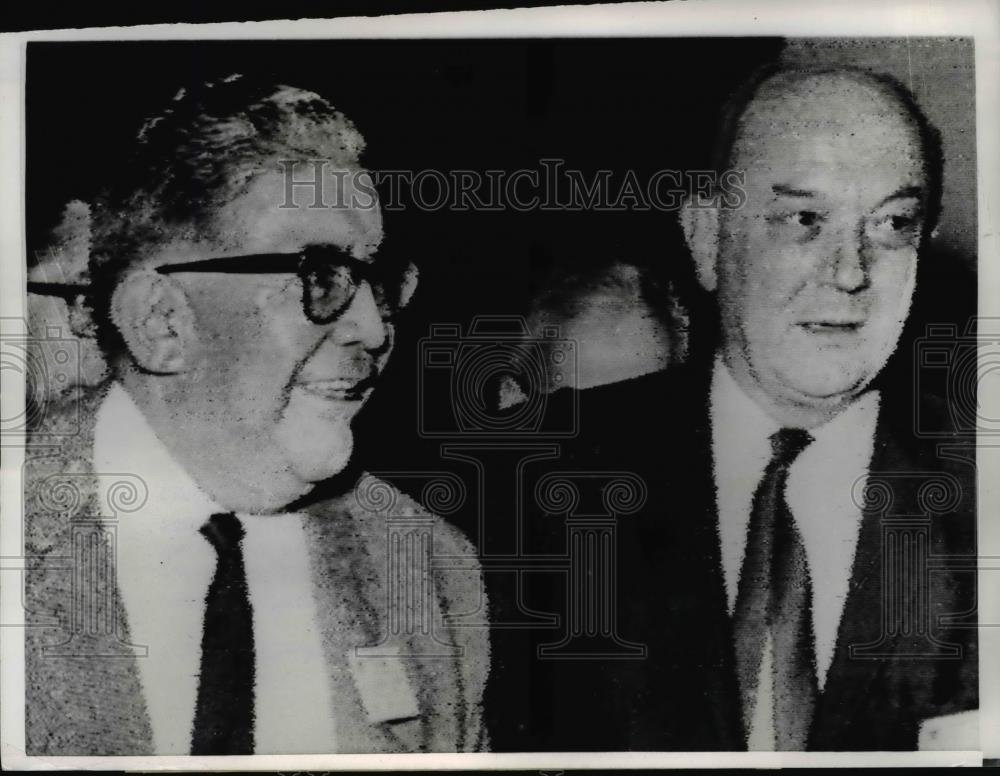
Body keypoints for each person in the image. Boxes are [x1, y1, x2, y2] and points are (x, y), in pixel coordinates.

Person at [485, 65, 976, 751]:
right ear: (706, 236)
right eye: (805, 220)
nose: (851, 271)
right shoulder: (533, 488)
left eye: (893, 224)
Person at [24, 75, 488, 756]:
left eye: (377, 281)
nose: (372, 327)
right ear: (161, 321)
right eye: (318, 275)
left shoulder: (432, 574)